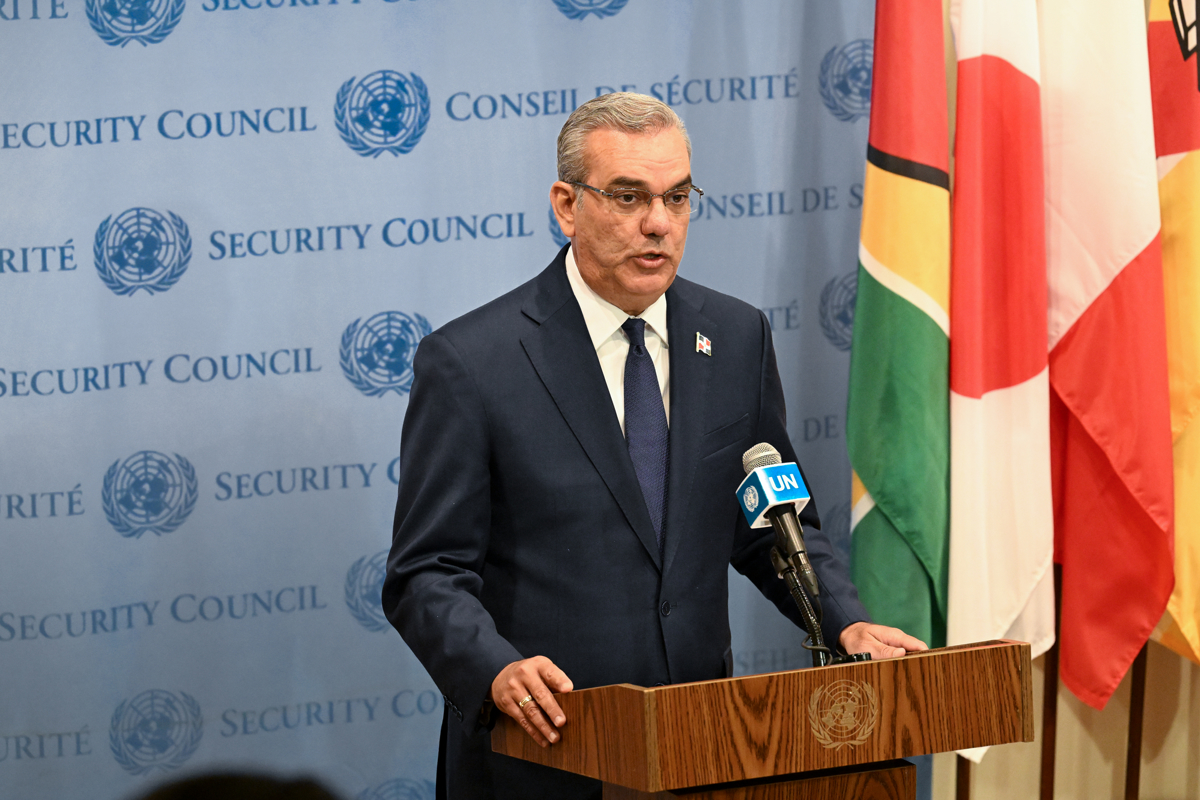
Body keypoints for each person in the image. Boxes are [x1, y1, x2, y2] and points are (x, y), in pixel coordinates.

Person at [382, 92, 925, 800]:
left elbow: (774, 525)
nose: (658, 224)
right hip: (543, 754)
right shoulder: (474, 362)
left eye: (677, 197)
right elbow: (426, 573)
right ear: (567, 205)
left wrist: (845, 622)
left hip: (699, 749)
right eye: (629, 196)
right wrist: (494, 669)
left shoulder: (734, 338)